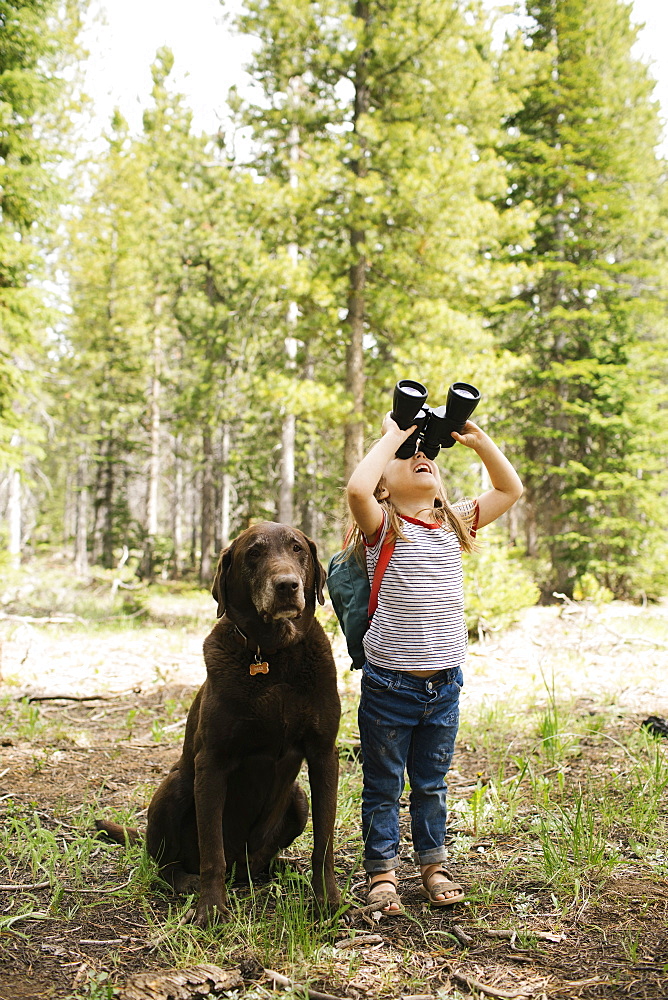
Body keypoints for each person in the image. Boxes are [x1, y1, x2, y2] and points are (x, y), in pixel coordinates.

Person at [346, 410, 523, 914]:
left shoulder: (453, 522)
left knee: (430, 783)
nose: (421, 456)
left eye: (428, 455)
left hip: (444, 686)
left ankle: (432, 864)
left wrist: (481, 442)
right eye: (408, 458)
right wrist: (394, 436)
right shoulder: (384, 526)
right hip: (390, 688)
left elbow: (509, 491)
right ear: (386, 488)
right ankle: (381, 872)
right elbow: (357, 490)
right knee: (383, 786)